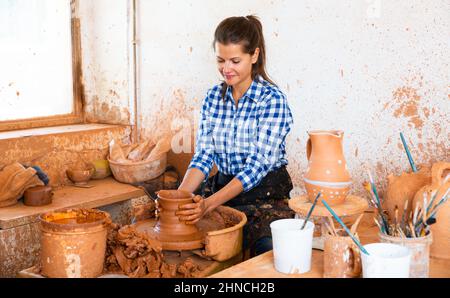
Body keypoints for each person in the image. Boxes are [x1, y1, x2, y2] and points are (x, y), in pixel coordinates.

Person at [176, 15, 295, 258]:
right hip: (223, 187)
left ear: (254, 55)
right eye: (220, 60)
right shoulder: (212, 97)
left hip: (266, 194)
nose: (226, 69)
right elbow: (204, 156)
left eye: (235, 60)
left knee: (267, 252)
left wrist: (209, 204)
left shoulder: (272, 101)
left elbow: (256, 167)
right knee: (197, 246)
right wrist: (179, 198)